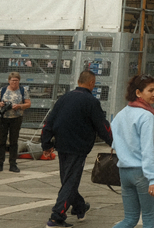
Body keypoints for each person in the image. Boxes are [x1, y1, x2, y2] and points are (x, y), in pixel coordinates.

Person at [41, 69, 113, 227]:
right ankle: (56, 216)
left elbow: (49, 121)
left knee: (67, 180)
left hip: (62, 145)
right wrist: (113, 143)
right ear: (92, 83)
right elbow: (102, 126)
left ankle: (80, 206)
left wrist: (46, 143)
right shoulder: (91, 102)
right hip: (78, 147)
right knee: (70, 182)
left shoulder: (64, 98)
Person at [110, 74, 154, 228]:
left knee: (129, 219)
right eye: (150, 90)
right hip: (142, 173)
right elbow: (147, 150)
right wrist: (152, 178)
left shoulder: (120, 115)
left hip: (124, 172)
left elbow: (115, 144)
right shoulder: (147, 116)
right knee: (148, 219)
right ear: (138, 93)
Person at [0, 71, 30, 173]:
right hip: (2, 118)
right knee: (1, 140)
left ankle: (13, 163)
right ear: (9, 81)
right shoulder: (3, 90)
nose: (14, 83)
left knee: (14, 140)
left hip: (16, 118)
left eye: (16, 81)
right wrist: (1, 104)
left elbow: (28, 103)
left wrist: (20, 106)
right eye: (13, 81)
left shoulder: (23, 90)